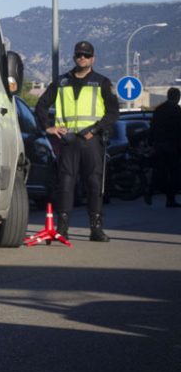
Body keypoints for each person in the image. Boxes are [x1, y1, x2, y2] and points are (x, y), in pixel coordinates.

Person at [35, 40, 119, 241]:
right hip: (68, 141)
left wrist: (96, 129)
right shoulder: (61, 82)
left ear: (93, 58)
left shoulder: (102, 82)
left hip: (91, 140)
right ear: (74, 57)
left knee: (93, 183)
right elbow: (41, 106)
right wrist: (49, 127)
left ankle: (96, 229)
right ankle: (62, 228)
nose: (83, 58)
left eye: (86, 55)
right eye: (79, 55)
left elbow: (113, 112)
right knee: (65, 184)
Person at [146, 87, 181, 208]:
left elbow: (153, 127)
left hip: (159, 145)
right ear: (177, 97)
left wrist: (151, 143)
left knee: (159, 172)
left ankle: (150, 192)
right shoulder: (177, 110)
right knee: (174, 174)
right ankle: (170, 199)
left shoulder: (159, 109)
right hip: (172, 146)